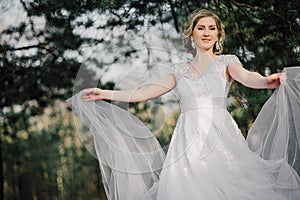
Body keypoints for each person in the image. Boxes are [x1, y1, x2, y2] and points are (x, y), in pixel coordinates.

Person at [68, 9, 300, 200]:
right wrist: (105, 93)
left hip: (220, 136)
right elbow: (144, 92)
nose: (207, 33)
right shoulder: (179, 70)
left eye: (212, 28)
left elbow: (249, 77)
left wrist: (268, 81)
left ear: (218, 34)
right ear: (191, 34)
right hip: (187, 140)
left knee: (230, 186)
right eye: (201, 28)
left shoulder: (227, 62)